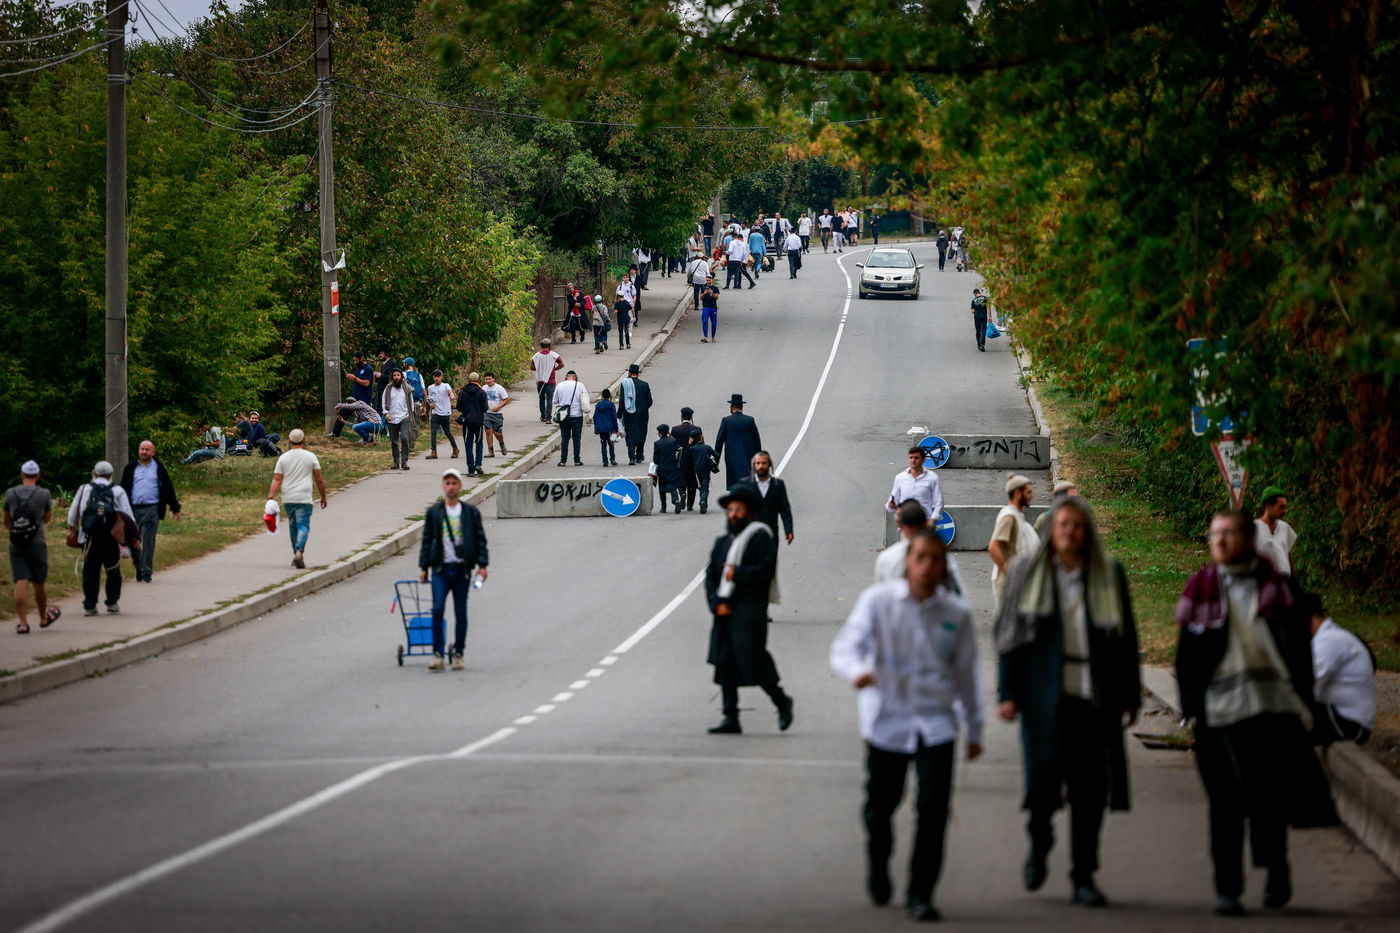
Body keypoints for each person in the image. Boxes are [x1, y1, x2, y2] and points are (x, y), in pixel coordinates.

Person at [1174, 510, 1338, 917]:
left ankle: (1276, 869)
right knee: (1224, 802)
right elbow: (1187, 656)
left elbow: (1299, 651)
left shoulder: (1280, 590)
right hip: (1218, 712)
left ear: (1248, 539)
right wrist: (1191, 707)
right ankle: (1227, 889)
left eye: (1228, 533)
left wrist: (1309, 705)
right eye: (1215, 534)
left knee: (1269, 798)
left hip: (1272, 709)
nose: (1220, 541)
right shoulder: (1202, 587)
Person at [994, 498, 1142, 909]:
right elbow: (1010, 636)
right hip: (1044, 698)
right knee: (1042, 787)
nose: (1069, 531)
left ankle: (1084, 875)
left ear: (1087, 531)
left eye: (1077, 525)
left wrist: (1130, 695)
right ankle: (1039, 844)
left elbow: (1127, 639)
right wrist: (1007, 693)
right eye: (1062, 524)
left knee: (1090, 792)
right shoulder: (1028, 572)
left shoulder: (1108, 574)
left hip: (1096, 699)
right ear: (1051, 530)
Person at [831, 530, 982, 921]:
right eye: (921, 558)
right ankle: (879, 864)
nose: (928, 566)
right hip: (887, 721)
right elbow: (846, 647)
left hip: (937, 724)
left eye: (936, 559)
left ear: (944, 566)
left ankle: (921, 892)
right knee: (880, 807)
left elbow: (967, 675)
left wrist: (974, 730)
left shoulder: (956, 614)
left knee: (933, 812)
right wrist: (859, 671)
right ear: (908, 562)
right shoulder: (878, 603)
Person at [705, 483, 794, 734]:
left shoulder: (760, 536)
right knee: (725, 662)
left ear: (748, 513)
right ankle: (730, 716)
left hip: (749, 611)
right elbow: (711, 577)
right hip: (724, 610)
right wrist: (717, 603)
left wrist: (738, 574)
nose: (733, 514)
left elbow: (766, 571)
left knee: (753, 660)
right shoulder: (722, 542)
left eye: (738, 509)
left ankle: (781, 700)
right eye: (730, 509)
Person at [418, 468, 489, 672]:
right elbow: (427, 540)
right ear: (443, 486)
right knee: (437, 609)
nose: (450, 486)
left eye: (454, 483)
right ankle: (438, 653)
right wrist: (424, 567)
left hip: (461, 571)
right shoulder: (435, 513)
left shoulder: (469, 512)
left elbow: (480, 540)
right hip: (440, 569)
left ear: (460, 486)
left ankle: (458, 653)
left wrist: (482, 565)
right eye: (447, 483)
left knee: (460, 612)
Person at [1304, 593, 1376, 746]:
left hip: (1350, 725)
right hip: (1343, 720)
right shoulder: (1326, 638)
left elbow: (1308, 687)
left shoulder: (1329, 641)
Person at [68, 460, 135, 616]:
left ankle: (90, 605)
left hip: (90, 538)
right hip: (111, 538)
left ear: (94, 473)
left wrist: (74, 528)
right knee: (112, 569)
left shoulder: (84, 489)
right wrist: (129, 539)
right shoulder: (118, 491)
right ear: (111, 475)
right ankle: (112, 602)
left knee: (90, 570)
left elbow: (72, 515)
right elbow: (128, 517)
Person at [120, 440, 181, 583]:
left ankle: (146, 571)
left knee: (148, 541)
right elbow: (123, 489)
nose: (144, 452)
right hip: (133, 509)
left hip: (152, 509)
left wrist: (175, 508)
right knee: (132, 540)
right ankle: (139, 567)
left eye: (147, 449)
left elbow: (168, 488)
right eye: (142, 449)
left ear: (153, 452)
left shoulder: (159, 468)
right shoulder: (130, 468)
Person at [876, 499, 967, 595]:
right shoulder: (941, 557)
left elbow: (880, 592)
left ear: (899, 524)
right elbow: (957, 593)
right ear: (925, 523)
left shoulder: (886, 558)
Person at [6, 460, 57, 633]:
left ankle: (22, 623)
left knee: (20, 580)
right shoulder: (44, 494)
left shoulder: (10, 493)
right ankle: (43, 618)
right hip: (37, 543)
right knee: (38, 582)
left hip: (16, 543)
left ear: (21, 475)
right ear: (38, 475)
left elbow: (7, 520)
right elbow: (47, 517)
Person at [267, 429, 327, 570]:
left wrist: (270, 497)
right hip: (304, 497)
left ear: (289, 441)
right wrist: (323, 496)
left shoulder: (284, 458)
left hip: (288, 497)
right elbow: (319, 480)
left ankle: (296, 554)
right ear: (304, 440)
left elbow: (277, 479)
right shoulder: (310, 457)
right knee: (303, 525)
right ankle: (299, 552)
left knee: (293, 526)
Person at [990, 475, 1039, 607]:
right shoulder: (1008, 516)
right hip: (1008, 584)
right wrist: (1008, 573)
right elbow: (994, 547)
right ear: (1018, 493)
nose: (1032, 496)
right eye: (1028, 492)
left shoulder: (1017, 516)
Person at [714, 394, 762, 489]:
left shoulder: (726, 421)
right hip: (748, 456)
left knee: (733, 481)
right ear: (742, 407)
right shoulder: (749, 420)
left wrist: (716, 460)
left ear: (731, 408)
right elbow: (757, 440)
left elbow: (719, 441)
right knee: (748, 480)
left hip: (731, 457)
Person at [886, 447, 945, 523]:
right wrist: (890, 505)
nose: (913, 460)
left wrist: (932, 521)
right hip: (905, 523)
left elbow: (939, 502)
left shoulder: (932, 478)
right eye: (911, 458)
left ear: (923, 460)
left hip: (924, 522)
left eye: (916, 458)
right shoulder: (900, 478)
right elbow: (893, 500)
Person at [749, 451, 794, 546]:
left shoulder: (778, 485)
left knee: (770, 560)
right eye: (758, 463)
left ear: (769, 465)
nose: (761, 466)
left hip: (771, 534)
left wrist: (788, 530)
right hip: (751, 535)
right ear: (754, 465)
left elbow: (785, 510)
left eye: (764, 463)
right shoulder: (746, 485)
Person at [1254, 486, 1297, 577]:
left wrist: (1294, 581)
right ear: (1269, 506)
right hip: (1263, 581)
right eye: (1281, 507)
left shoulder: (1284, 527)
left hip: (1284, 579)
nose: (1284, 511)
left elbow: (1287, 554)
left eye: (1285, 507)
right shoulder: (1253, 528)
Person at [382, 369, 417, 471]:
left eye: (398, 375)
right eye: (394, 375)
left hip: (404, 417)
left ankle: (404, 461)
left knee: (405, 438)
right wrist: (386, 413)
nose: (396, 377)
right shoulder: (388, 388)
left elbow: (411, 404)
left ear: (401, 376)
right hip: (392, 418)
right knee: (394, 441)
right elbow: (383, 402)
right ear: (392, 377)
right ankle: (396, 462)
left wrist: (409, 415)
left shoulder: (407, 388)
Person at [554, 371, 590, 467]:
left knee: (564, 439)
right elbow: (586, 399)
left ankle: (563, 461)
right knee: (576, 439)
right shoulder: (580, 385)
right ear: (575, 377)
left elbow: (555, 400)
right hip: (577, 416)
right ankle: (577, 460)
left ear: (566, 377)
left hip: (564, 416)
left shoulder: (560, 385)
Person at [619, 363, 653, 465]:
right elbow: (650, 401)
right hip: (643, 414)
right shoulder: (645, 385)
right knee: (642, 433)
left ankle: (631, 457)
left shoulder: (625, 384)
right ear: (638, 374)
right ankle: (639, 455)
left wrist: (619, 414)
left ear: (629, 373)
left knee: (630, 434)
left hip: (629, 414)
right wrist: (643, 408)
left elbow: (622, 401)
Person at [456, 373, 489, 476]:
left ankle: (471, 470)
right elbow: (485, 408)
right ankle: (478, 463)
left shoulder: (463, 392)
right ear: (479, 380)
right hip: (478, 421)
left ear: (469, 380)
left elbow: (459, 407)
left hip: (466, 422)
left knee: (468, 445)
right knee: (479, 443)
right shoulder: (482, 392)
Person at [424, 370, 459, 459]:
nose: (436, 378)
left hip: (445, 413)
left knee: (447, 432)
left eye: (438, 376)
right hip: (435, 413)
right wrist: (430, 403)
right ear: (433, 377)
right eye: (435, 376)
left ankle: (455, 449)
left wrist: (452, 396)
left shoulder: (445, 385)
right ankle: (433, 452)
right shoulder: (430, 387)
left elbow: (450, 392)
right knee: (433, 433)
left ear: (441, 377)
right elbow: (429, 398)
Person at [651, 424, 683, 513]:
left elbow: (655, 460)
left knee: (662, 488)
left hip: (662, 468)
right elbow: (679, 449)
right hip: (672, 467)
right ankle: (676, 500)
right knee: (673, 486)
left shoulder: (657, 443)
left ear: (659, 433)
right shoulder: (673, 441)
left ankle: (663, 507)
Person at [687, 431, 720, 515]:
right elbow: (717, 455)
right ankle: (703, 501)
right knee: (705, 487)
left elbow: (687, 456)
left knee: (700, 487)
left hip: (696, 471)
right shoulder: (707, 447)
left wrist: (689, 444)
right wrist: (714, 464)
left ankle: (703, 504)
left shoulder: (692, 448)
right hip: (706, 470)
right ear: (701, 438)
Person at [532, 339, 564, 424]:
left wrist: (538, 369)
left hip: (540, 381)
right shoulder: (554, 355)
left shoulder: (536, 356)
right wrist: (555, 369)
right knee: (549, 398)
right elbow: (562, 364)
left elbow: (531, 367)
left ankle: (543, 416)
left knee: (541, 398)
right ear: (550, 346)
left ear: (541, 346)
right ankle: (548, 418)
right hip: (551, 380)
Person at [482, 372, 511, 457]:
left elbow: (506, 399)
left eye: (489, 379)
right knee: (488, 432)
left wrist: (498, 407)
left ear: (493, 379)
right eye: (486, 379)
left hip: (497, 414)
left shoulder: (499, 388)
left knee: (497, 432)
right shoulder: (484, 388)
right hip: (486, 413)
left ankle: (501, 444)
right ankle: (491, 451)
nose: (488, 381)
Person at [594, 388, 620, 467]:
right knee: (611, 444)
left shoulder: (598, 405)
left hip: (601, 428)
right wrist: (616, 429)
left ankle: (605, 461)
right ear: (609, 396)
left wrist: (596, 428)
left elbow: (595, 417)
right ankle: (612, 459)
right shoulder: (611, 405)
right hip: (609, 428)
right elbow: (614, 418)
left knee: (603, 444)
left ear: (602, 396)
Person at [374, 345, 398, 415]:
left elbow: (393, 378)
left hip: (386, 393)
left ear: (386, 354)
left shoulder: (392, 363)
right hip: (381, 392)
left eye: (381, 353)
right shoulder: (385, 364)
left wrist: (381, 375)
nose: (379, 355)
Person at [699, 275, 720, 343]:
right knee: (704, 321)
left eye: (709, 280)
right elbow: (701, 298)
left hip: (713, 307)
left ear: (712, 280)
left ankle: (713, 337)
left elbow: (717, 297)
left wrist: (712, 293)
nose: (708, 281)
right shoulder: (703, 288)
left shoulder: (715, 288)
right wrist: (704, 293)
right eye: (707, 280)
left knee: (714, 322)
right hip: (706, 307)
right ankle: (705, 337)